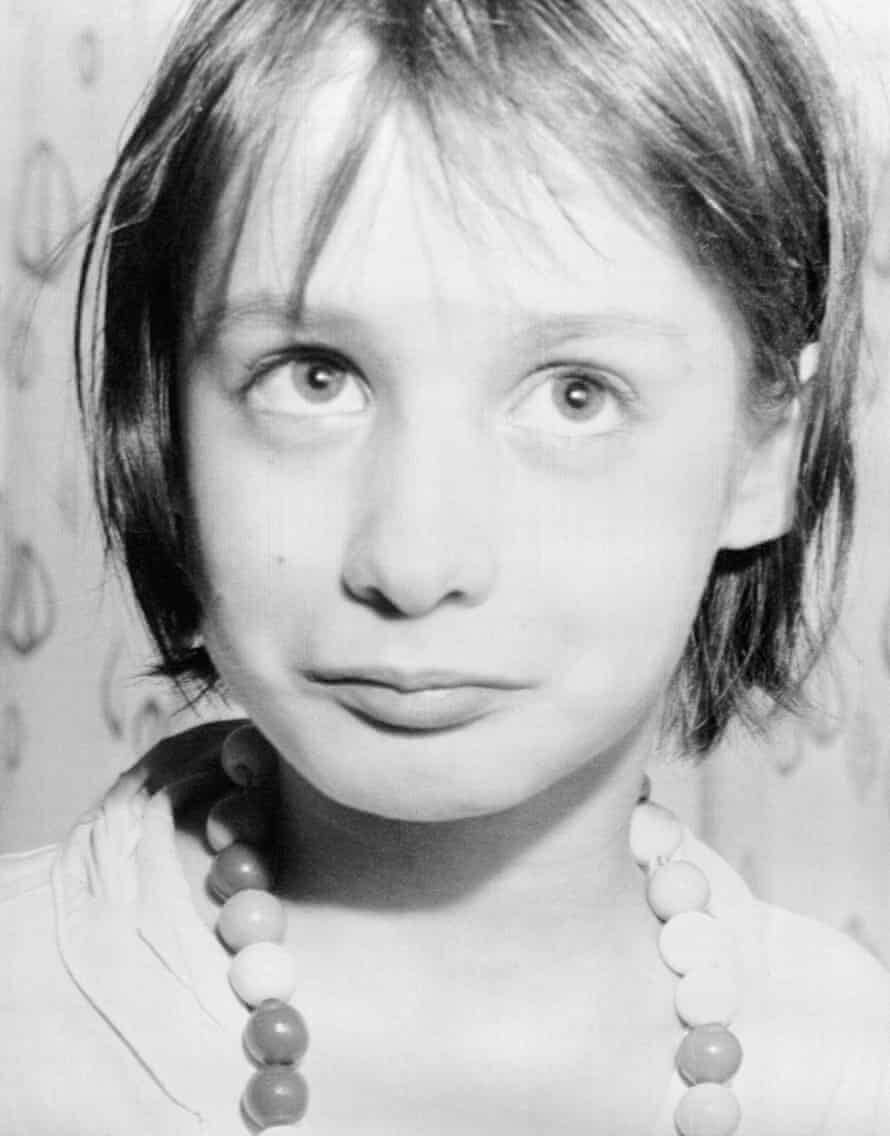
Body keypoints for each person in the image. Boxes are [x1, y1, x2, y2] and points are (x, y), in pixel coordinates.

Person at [2, 0, 889, 1132]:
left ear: (766, 453)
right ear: (167, 421)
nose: (412, 563)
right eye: (313, 376)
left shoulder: (850, 1068)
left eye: (576, 394)